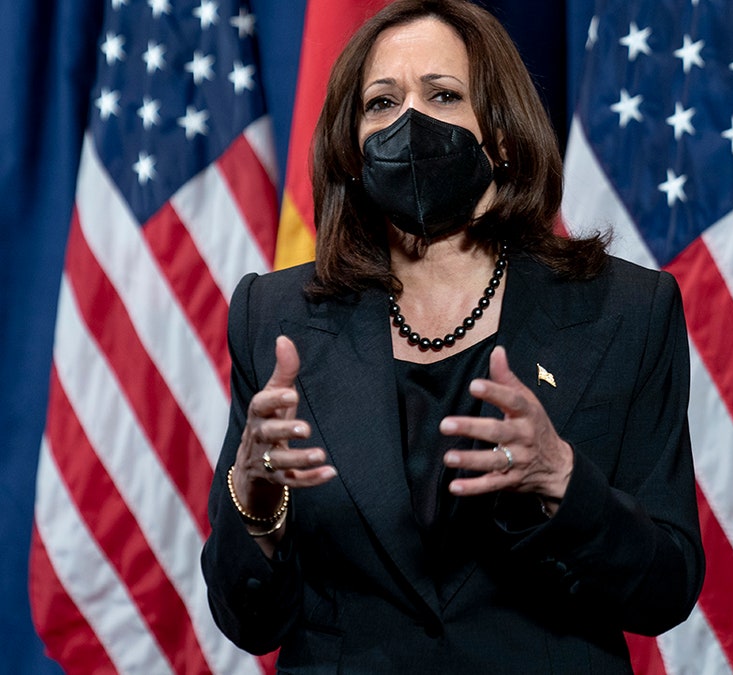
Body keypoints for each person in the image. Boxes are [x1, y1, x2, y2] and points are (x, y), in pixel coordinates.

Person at [200, 0, 704, 671]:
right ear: (351, 149)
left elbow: (665, 589)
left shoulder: (626, 310)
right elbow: (249, 620)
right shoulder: (274, 315)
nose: (409, 121)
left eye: (442, 95)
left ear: (499, 135)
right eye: (381, 102)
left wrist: (562, 478)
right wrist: (255, 503)